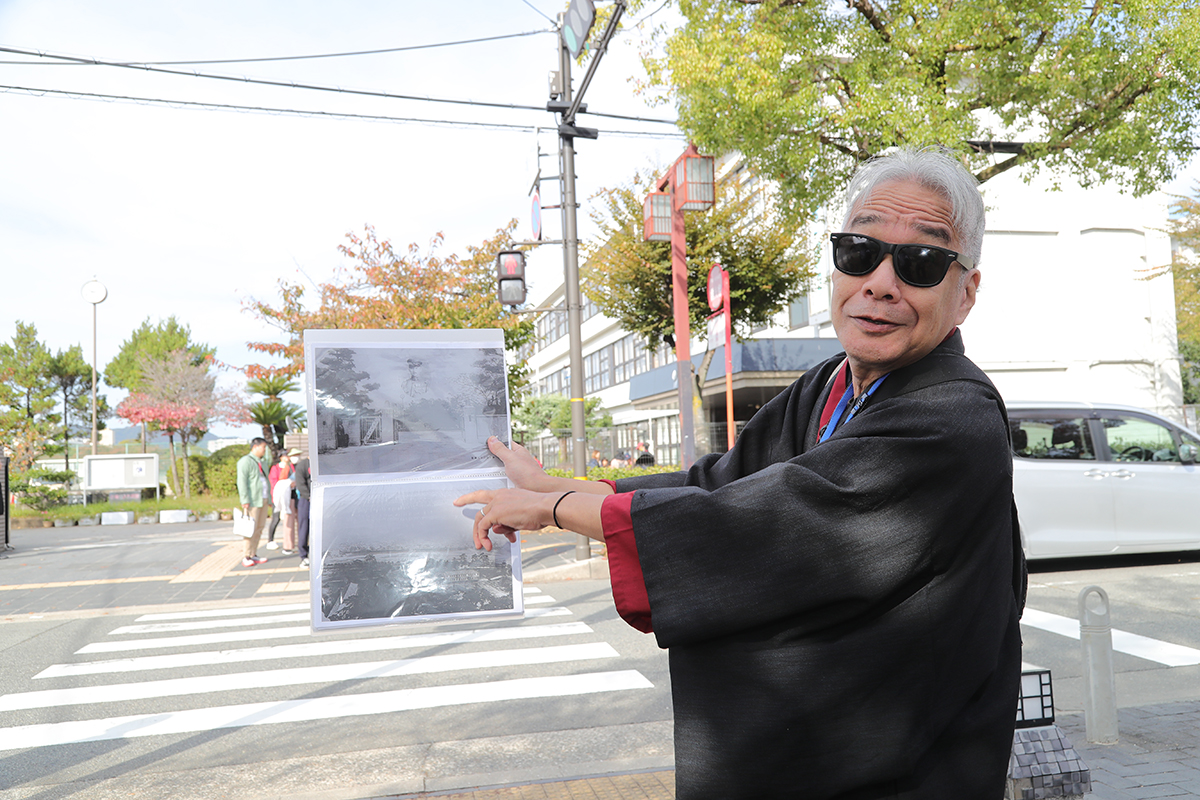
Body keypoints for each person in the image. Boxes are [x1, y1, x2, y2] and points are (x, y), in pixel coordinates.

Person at [456, 146, 1025, 800]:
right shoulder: (830, 383)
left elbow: (763, 525)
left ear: (966, 293)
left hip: (905, 774)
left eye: (922, 262)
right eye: (859, 252)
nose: (881, 283)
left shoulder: (952, 421)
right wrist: (555, 487)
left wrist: (556, 512)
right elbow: (721, 481)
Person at [235, 438, 273, 568]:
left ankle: (253, 553)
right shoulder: (245, 461)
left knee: (259, 528)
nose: (264, 450)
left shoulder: (262, 462)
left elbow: (266, 481)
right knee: (249, 528)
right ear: (255, 447)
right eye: (263, 447)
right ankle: (246, 555)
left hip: (262, 499)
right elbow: (242, 482)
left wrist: (269, 498)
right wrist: (244, 499)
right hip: (252, 500)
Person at [271, 456, 298, 555]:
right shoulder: (277, 468)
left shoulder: (292, 467)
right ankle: (285, 545)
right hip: (285, 498)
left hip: (295, 496)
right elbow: (277, 482)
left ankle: (296, 544)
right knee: (281, 521)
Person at [294, 452, 312, 568]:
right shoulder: (303, 465)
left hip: (319, 499)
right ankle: (303, 555)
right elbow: (300, 484)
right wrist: (309, 496)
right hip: (306, 500)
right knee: (304, 527)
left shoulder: (321, 463)